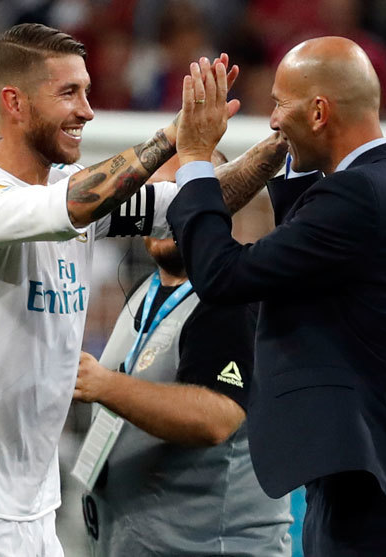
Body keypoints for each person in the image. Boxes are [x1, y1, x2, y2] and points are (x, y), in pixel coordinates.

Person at [0, 23, 285, 557]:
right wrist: (175, 136)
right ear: (15, 102)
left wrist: (282, 143)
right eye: (69, 93)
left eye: (88, 92)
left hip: (31, 510)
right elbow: (76, 203)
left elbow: (194, 202)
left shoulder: (63, 199)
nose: (88, 110)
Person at [167, 37, 386, 554]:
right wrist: (285, 154)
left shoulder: (357, 197)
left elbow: (223, 276)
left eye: (281, 104)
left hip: (374, 486)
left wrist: (193, 158)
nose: (273, 120)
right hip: (381, 476)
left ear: (320, 111)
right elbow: (309, 235)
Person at [73, 150, 294, 556]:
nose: (162, 211)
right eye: (153, 199)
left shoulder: (233, 297)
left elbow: (216, 417)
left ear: (221, 201)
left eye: (178, 197)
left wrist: (105, 386)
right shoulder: (143, 291)